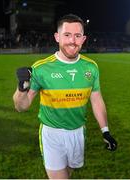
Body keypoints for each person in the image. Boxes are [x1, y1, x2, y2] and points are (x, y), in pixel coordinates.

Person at [13, 14, 117, 179]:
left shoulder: (91, 67)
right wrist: (21, 88)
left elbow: (96, 99)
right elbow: (21, 107)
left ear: (83, 39)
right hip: (52, 134)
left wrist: (105, 131)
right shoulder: (41, 68)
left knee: (69, 171)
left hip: (78, 132)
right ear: (57, 37)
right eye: (67, 35)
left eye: (77, 36)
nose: (72, 41)